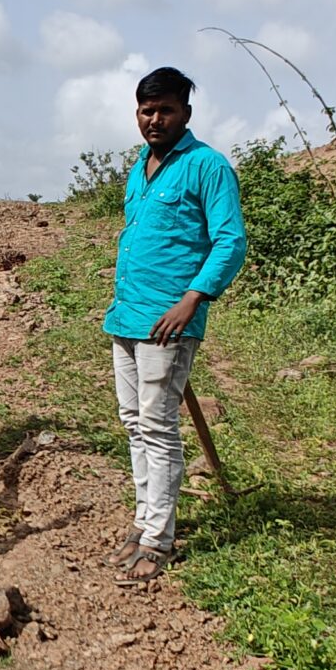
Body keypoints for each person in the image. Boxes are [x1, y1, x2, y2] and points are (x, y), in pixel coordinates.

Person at [103, 67, 245, 586]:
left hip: (168, 322)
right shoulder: (139, 169)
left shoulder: (208, 166)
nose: (155, 119)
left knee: (158, 426)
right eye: (147, 110)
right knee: (134, 422)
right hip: (127, 317)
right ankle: (144, 522)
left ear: (186, 112)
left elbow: (230, 241)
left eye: (165, 109)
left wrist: (192, 300)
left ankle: (158, 539)